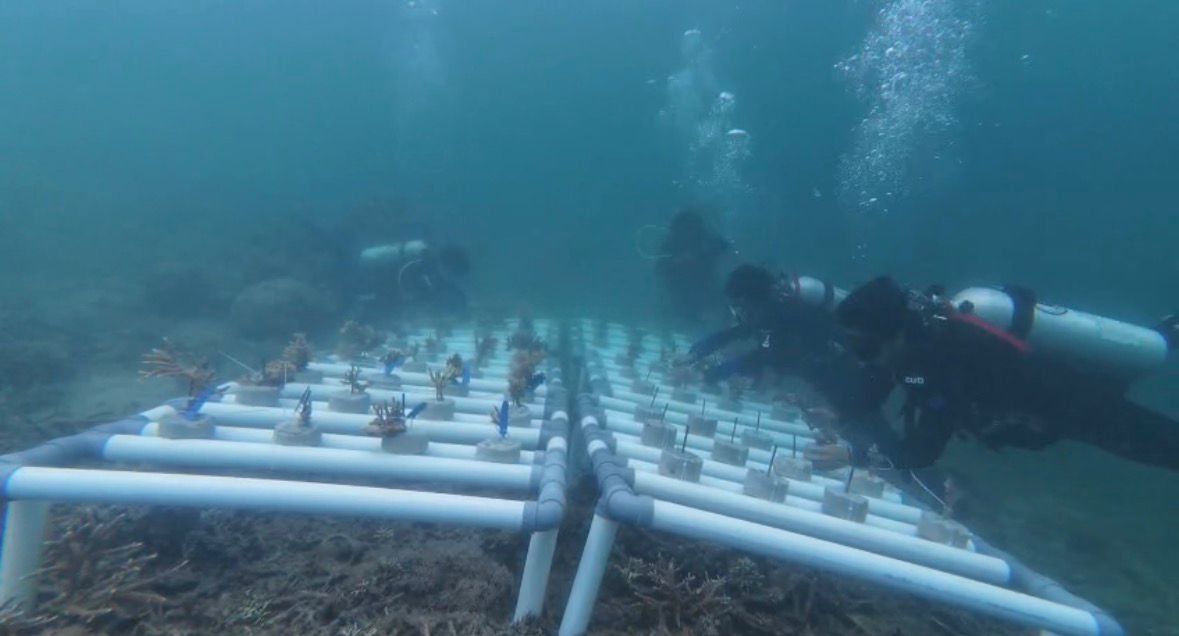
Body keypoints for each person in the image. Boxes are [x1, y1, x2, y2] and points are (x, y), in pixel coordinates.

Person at [833, 276, 1179, 471]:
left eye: (865, 348)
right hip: (1066, 393)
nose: (864, 358)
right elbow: (875, 386)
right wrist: (841, 416)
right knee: (1154, 349)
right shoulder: (912, 346)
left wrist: (856, 456)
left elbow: (922, 450)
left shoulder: (947, 360)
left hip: (1079, 404)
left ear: (895, 333)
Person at [683, 264, 894, 469]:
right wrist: (699, 350)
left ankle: (892, 462)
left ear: (751, 299)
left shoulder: (786, 312)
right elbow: (742, 332)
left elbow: (772, 353)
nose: (738, 312)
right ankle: (881, 457)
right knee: (849, 419)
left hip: (842, 370)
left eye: (740, 305)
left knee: (864, 421)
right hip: (829, 371)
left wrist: (721, 370)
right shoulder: (769, 309)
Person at [355, 239, 470, 319]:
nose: (451, 277)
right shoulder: (424, 264)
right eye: (453, 273)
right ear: (448, 266)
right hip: (377, 278)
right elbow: (402, 280)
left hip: (381, 279)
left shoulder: (430, 267)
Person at [653, 209, 731, 327]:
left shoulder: (706, 239)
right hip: (680, 288)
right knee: (684, 311)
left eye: (690, 229)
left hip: (706, 284)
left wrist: (699, 253)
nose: (687, 234)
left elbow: (723, 245)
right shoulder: (671, 243)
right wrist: (677, 262)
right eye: (683, 230)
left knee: (719, 301)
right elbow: (659, 268)